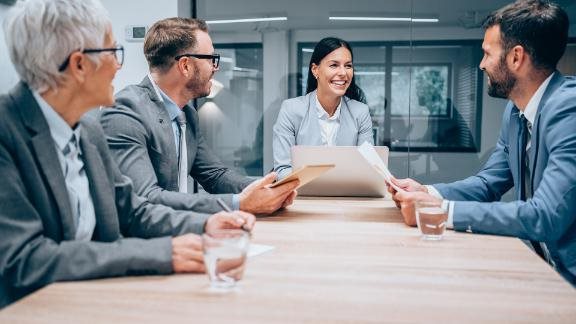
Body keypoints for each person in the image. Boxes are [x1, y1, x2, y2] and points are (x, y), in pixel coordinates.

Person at [0, 0, 255, 308]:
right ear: (80, 65)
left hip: (96, 300)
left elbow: (132, 211)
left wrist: (205, 225)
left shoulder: (87, 129)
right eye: (112, 52)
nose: (119, 66)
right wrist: (162, 253)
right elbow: (25, 260)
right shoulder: (6, 132)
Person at [390, 0, 576, 285]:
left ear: (516, 57)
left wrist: (439, 211)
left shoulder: (569, 110)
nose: (481, 64)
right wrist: (428, 191)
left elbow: (545, 216)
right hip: (541, 268)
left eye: (487, 53)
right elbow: (489, 183)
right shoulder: (516, 111)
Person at [99, 18, 298, 215]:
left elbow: (214, 175)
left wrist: (270, 187)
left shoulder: (186, 114)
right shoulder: (126, 111)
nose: (215, 67)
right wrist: (239, 203)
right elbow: (146, 197)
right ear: (185, 66)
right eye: (211, 59)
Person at [272, 37, 374, 180]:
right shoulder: (291, 110)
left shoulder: (360, 112)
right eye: (334, 65)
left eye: (348, 66)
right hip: (303, 197)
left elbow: (369, 167)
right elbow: (283, 170)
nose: (343, 73)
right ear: (315, 70)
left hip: (347, 197)